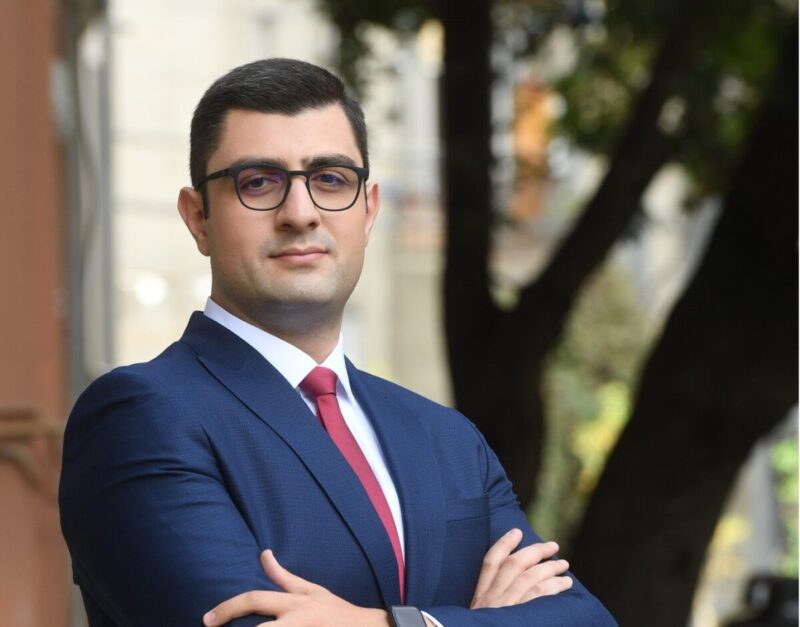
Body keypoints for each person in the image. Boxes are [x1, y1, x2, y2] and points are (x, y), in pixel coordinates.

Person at [59, 58, 617, 627]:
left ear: (368, 210)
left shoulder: (447, 439)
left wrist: (391, 624)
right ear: (199, 217)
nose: (300, 214)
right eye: (258, 182)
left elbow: (587, 621)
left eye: (330, 179)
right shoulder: (141, 418)